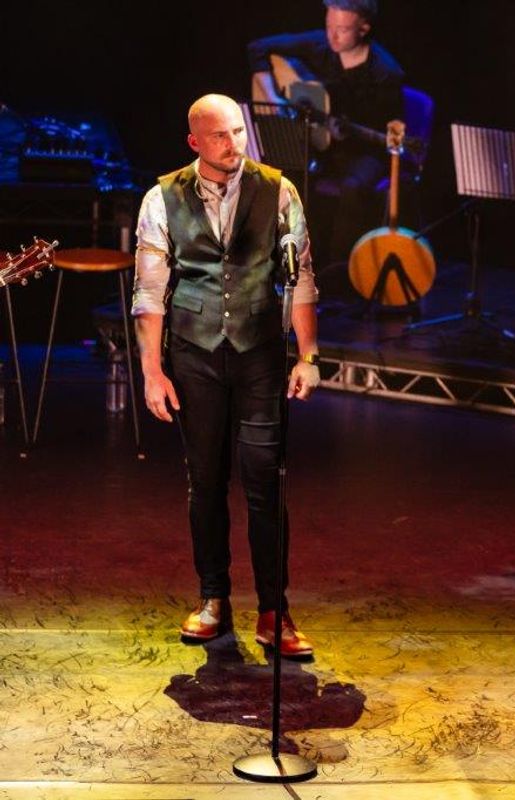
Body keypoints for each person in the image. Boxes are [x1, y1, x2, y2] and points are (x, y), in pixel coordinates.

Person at [132, 93, 322, 658]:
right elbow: (148, 292)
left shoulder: (279, 189)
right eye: (220, 136)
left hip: (260, 352)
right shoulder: (162, 199)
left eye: (239, 132)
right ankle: (214, 597)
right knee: (206, 481)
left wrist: (307, 355)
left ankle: (274, 609)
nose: (234, 144)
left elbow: (304, 276)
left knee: (266, 480)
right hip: (195, 353)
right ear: (194, 141)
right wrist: (151, 371)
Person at [248, 0, 409, 274]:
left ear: (363, 29)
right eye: (329, 26)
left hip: (364, 150)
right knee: (281, 177)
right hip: (320, 143)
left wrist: (346, 134)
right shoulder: (319, 44)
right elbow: (258, 48)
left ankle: (338, 270)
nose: (332, 36)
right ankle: (285, 261)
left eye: (342, 29)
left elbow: (387, 133)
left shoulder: (385, 73)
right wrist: (272, 95)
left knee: (353, 187)